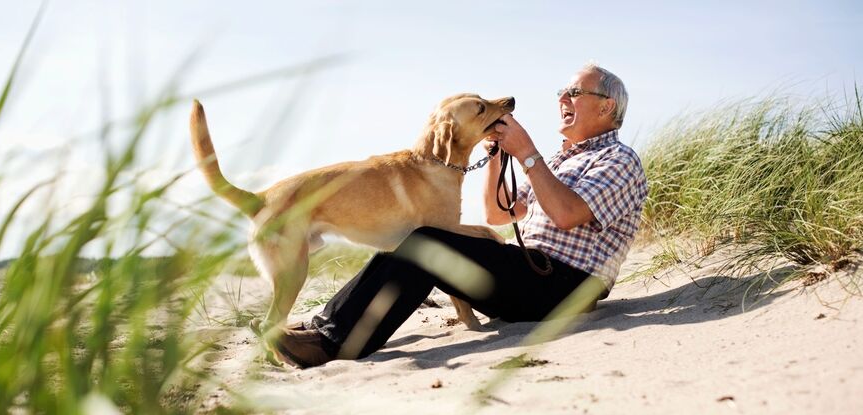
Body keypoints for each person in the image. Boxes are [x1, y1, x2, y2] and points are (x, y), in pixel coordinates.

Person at [271, 63, 648, 369]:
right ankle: (325, 326)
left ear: (605, 107)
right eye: (562, 93)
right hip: (529, 276)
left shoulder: (617, 159)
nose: (563, 99)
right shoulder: (560, 161)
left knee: (426, 242)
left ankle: (331, 342)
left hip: (564, 286)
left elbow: (566, 215)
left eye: (575, 93)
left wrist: (528, 154)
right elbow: (499, 213)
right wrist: (500, 157)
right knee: (417, 238)